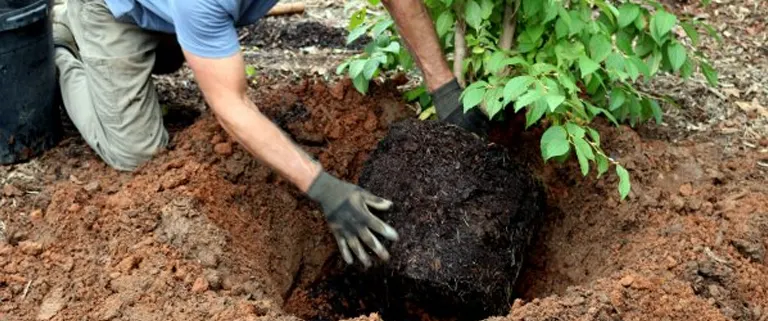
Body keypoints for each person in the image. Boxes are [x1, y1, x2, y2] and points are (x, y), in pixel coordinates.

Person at [52, 0, 486, 268]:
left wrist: (444, 89)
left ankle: (157, 46)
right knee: (135, 151)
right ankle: (58, 52)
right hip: (112, 12)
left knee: (186, 46)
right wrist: (323, 188)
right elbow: (231, 106)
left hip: (181, 15)